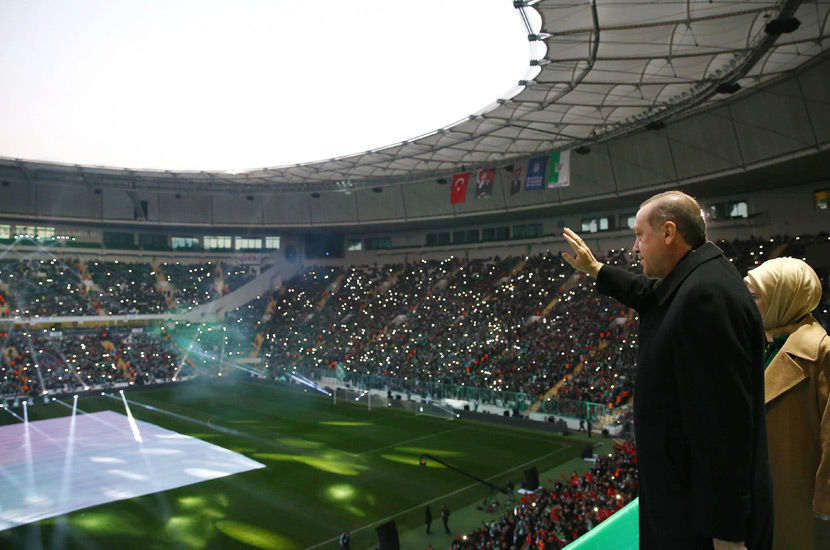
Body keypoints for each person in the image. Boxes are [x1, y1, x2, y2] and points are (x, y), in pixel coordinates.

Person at [562, 190, 772, 550]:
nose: (635, 248)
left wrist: (727, 531)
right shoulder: (697, 279)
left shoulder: (707, 296)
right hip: (685, 505)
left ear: (669, 232)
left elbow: (722, 425)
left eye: (640, 235)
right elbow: (649, 293)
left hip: (697, 525)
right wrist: (595, 269)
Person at [744, 258, 830, 550]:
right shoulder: (765, 343)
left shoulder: (821, 353)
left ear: (785, 298)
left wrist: (825, 502)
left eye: (754, 296)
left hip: (800, 503)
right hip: (764, 495)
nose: (745, 303)